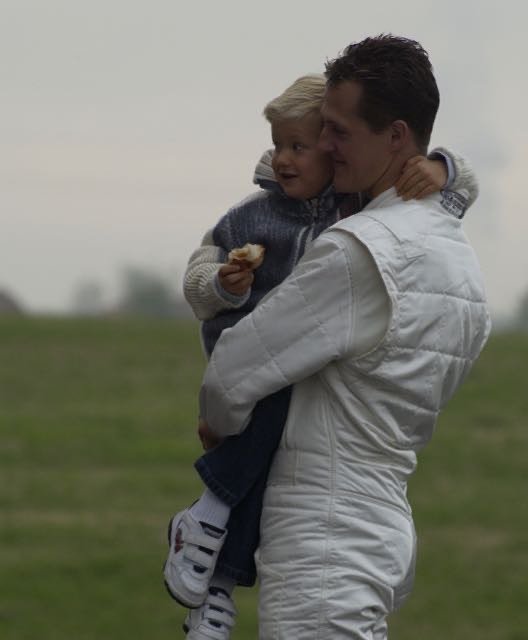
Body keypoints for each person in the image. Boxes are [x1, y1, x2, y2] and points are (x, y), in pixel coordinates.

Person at [172, 65, 482, 640]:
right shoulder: (456, 260)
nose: (324, 148)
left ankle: (208, 547)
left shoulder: (360, 247)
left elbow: (236, 371)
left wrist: (217, 423)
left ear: (393, 137)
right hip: (381, 523)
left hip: (321, 539)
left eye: (335, 133)